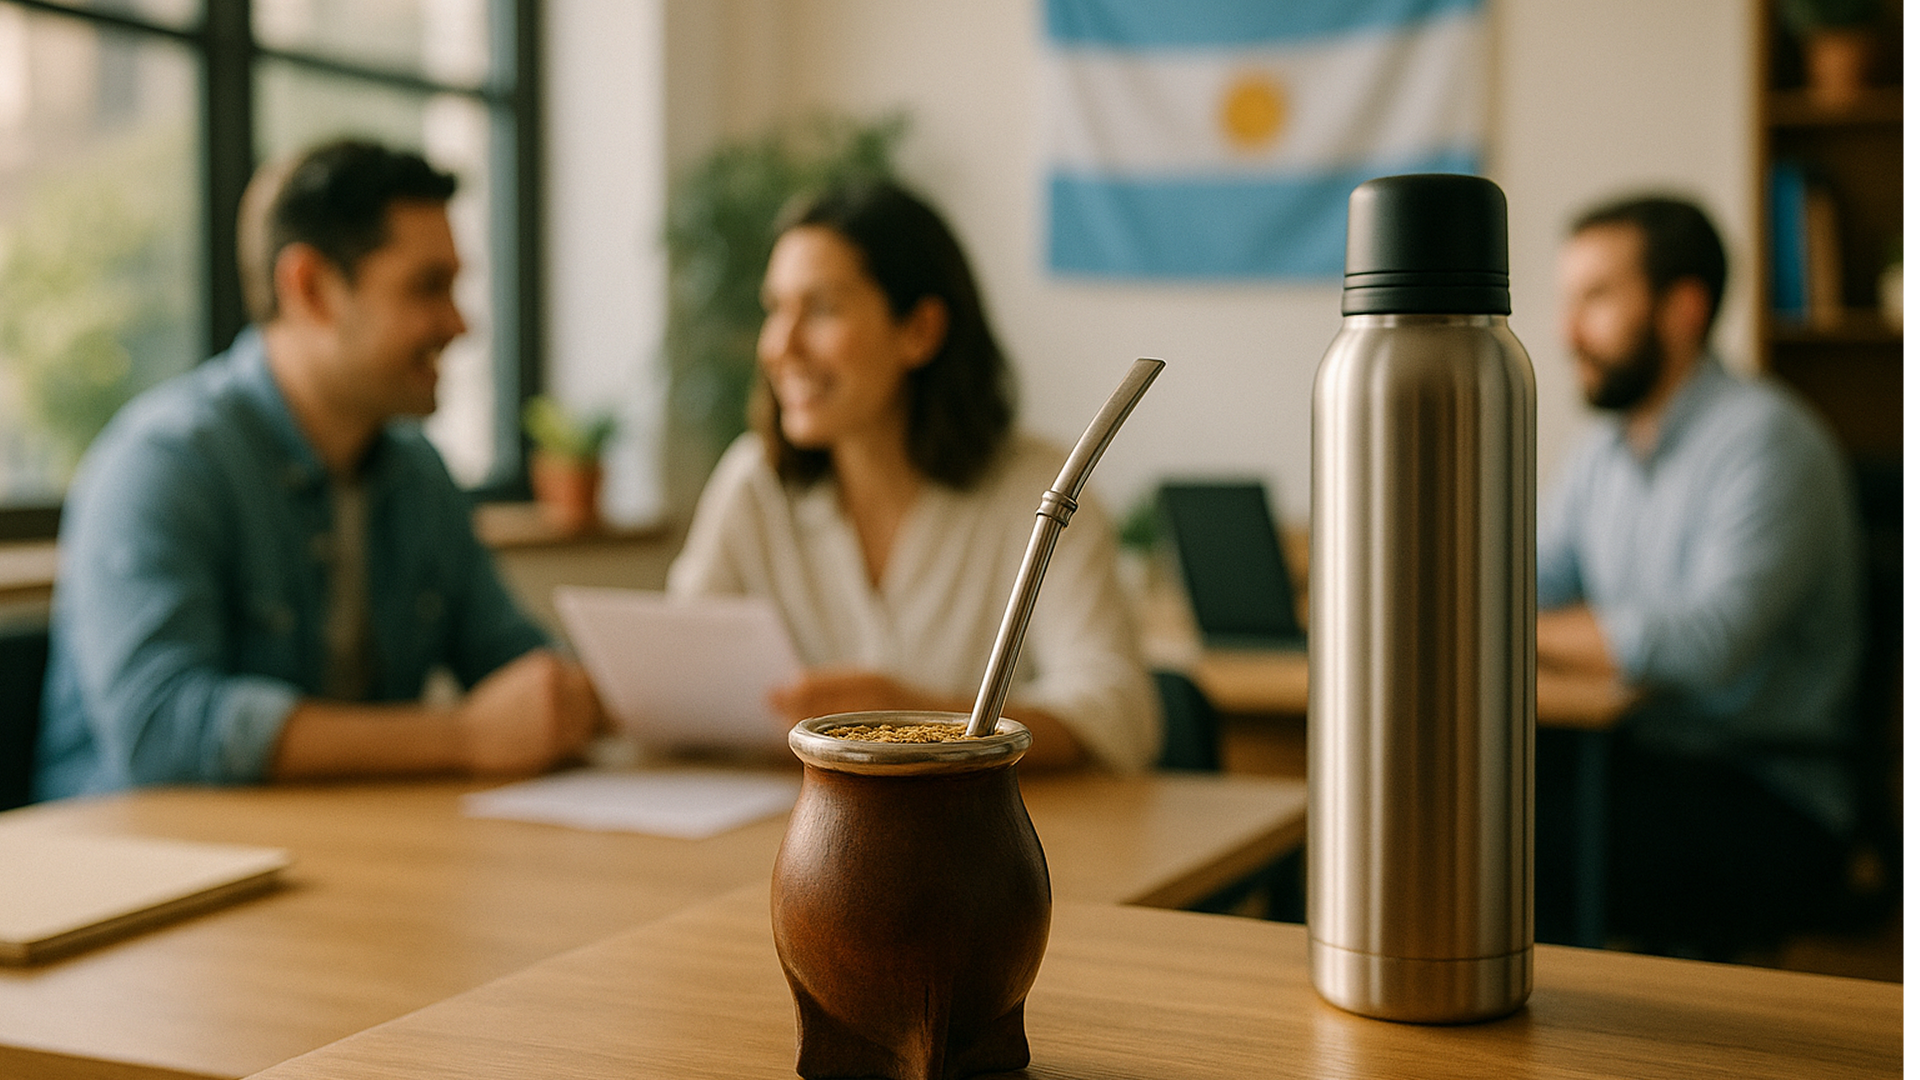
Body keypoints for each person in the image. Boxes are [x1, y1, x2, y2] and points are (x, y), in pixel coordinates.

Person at [35, 139, 600, 800]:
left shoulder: (419, 475)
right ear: (310, 288)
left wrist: (578, 695)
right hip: (145, 874)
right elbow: (161, 730)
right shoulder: (162, 463)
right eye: (428, 287)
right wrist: (464, 737)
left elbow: (513, 661)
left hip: (341, 858)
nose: (460, 324)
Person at [667, 179, 1159, 771]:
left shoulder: (1041, 488)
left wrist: (913, 717)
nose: (780, 345)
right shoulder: (753, 482)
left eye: (821, 309)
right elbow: (678, 680)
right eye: (775, 309)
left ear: (920, 330)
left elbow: (1120, 715)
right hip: (796, 839)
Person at [1539, 194, 1863, 954]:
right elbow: (1536, 580)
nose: (1566, 332)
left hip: (1764, 789)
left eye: (1596, 299)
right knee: (1462, 799)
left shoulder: (1768, 440)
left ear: (1683, 307)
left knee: (1508, 836)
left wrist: (1511, 631)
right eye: (1567, 301)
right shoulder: (1602, 455)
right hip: (1641, 762)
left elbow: (1710, 642)